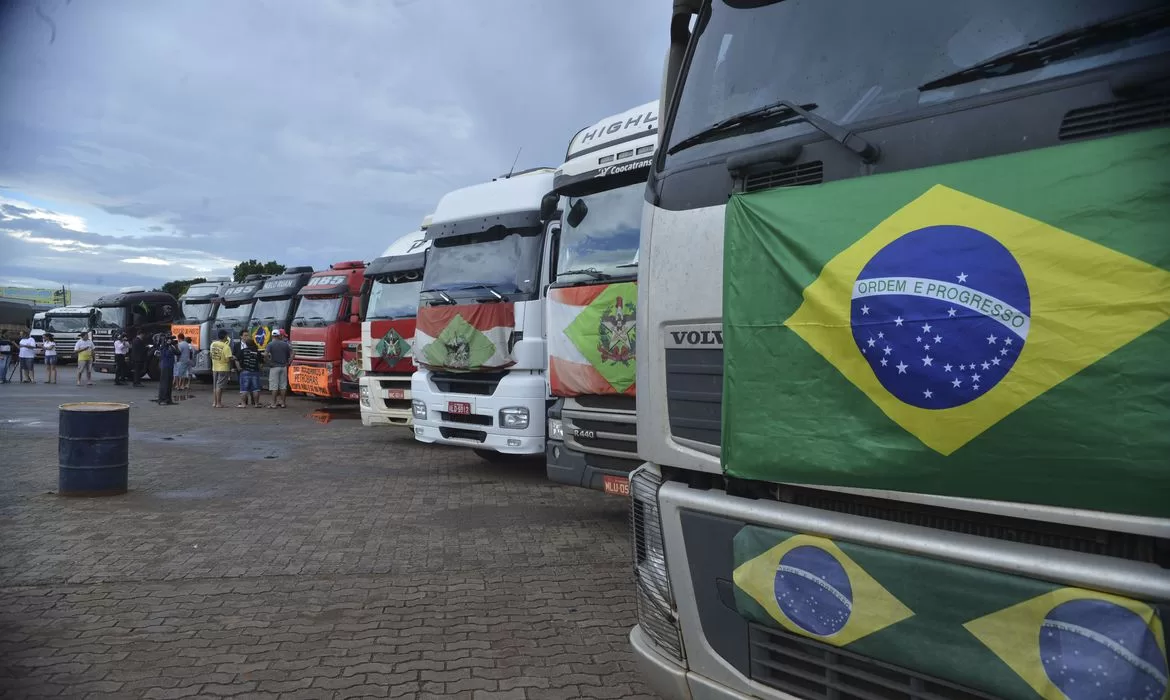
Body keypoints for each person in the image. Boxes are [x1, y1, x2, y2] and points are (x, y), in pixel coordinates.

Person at [265, 328, 292, 408]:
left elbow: (266, 354)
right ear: (279, 335)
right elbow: (292, 352)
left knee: (274, 386)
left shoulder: (270, 344)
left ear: (272, 336)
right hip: (283, 367)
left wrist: (268, 362)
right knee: (283, 386)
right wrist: (289, 361)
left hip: (274, 367)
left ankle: (273, 403)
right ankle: (283, 403)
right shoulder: (285, 344)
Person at [235, 336, 264, 408]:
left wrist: (239, 368)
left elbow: (236, 359)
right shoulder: (257, 352)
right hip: (255, 372)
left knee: (244, 389)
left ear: (246, 344)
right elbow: (261, 362)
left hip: (244, 371)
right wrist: (260, 369)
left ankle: (243, 404)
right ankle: (256, 404)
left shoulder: (243, 351)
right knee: (256, 388)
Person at [209, 330, 233, 408]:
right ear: (225, 336)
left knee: (215, 386)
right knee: (220, 386)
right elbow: (228, 359)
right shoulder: (226, 347)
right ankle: (219, 403)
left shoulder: (213, 344)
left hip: (214, 367)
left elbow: (211, 355)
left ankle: (214, 402)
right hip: (223, 368)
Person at [156, 335, 179, 406]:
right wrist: (168, 345)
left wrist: (175, 346)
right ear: (165, 340)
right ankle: (162, 399)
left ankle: (168, 399)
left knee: (169, 384)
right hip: (165, 366)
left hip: (170, 366)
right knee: (164, 384)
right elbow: (165, 354)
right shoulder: (163, 347)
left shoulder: (171, 346)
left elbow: (178, 353)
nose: (170, 340)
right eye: (168, 339)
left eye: (171, 339)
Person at [175, 334, 193, 399]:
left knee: (178, 373)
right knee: (183, 373)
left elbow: (178, 352)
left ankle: (178, 386)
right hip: (187, 360)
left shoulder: (180, 344)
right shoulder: (186, 344)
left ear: (179, 338)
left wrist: (177, 360)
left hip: (181, 360)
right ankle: (181, 385)